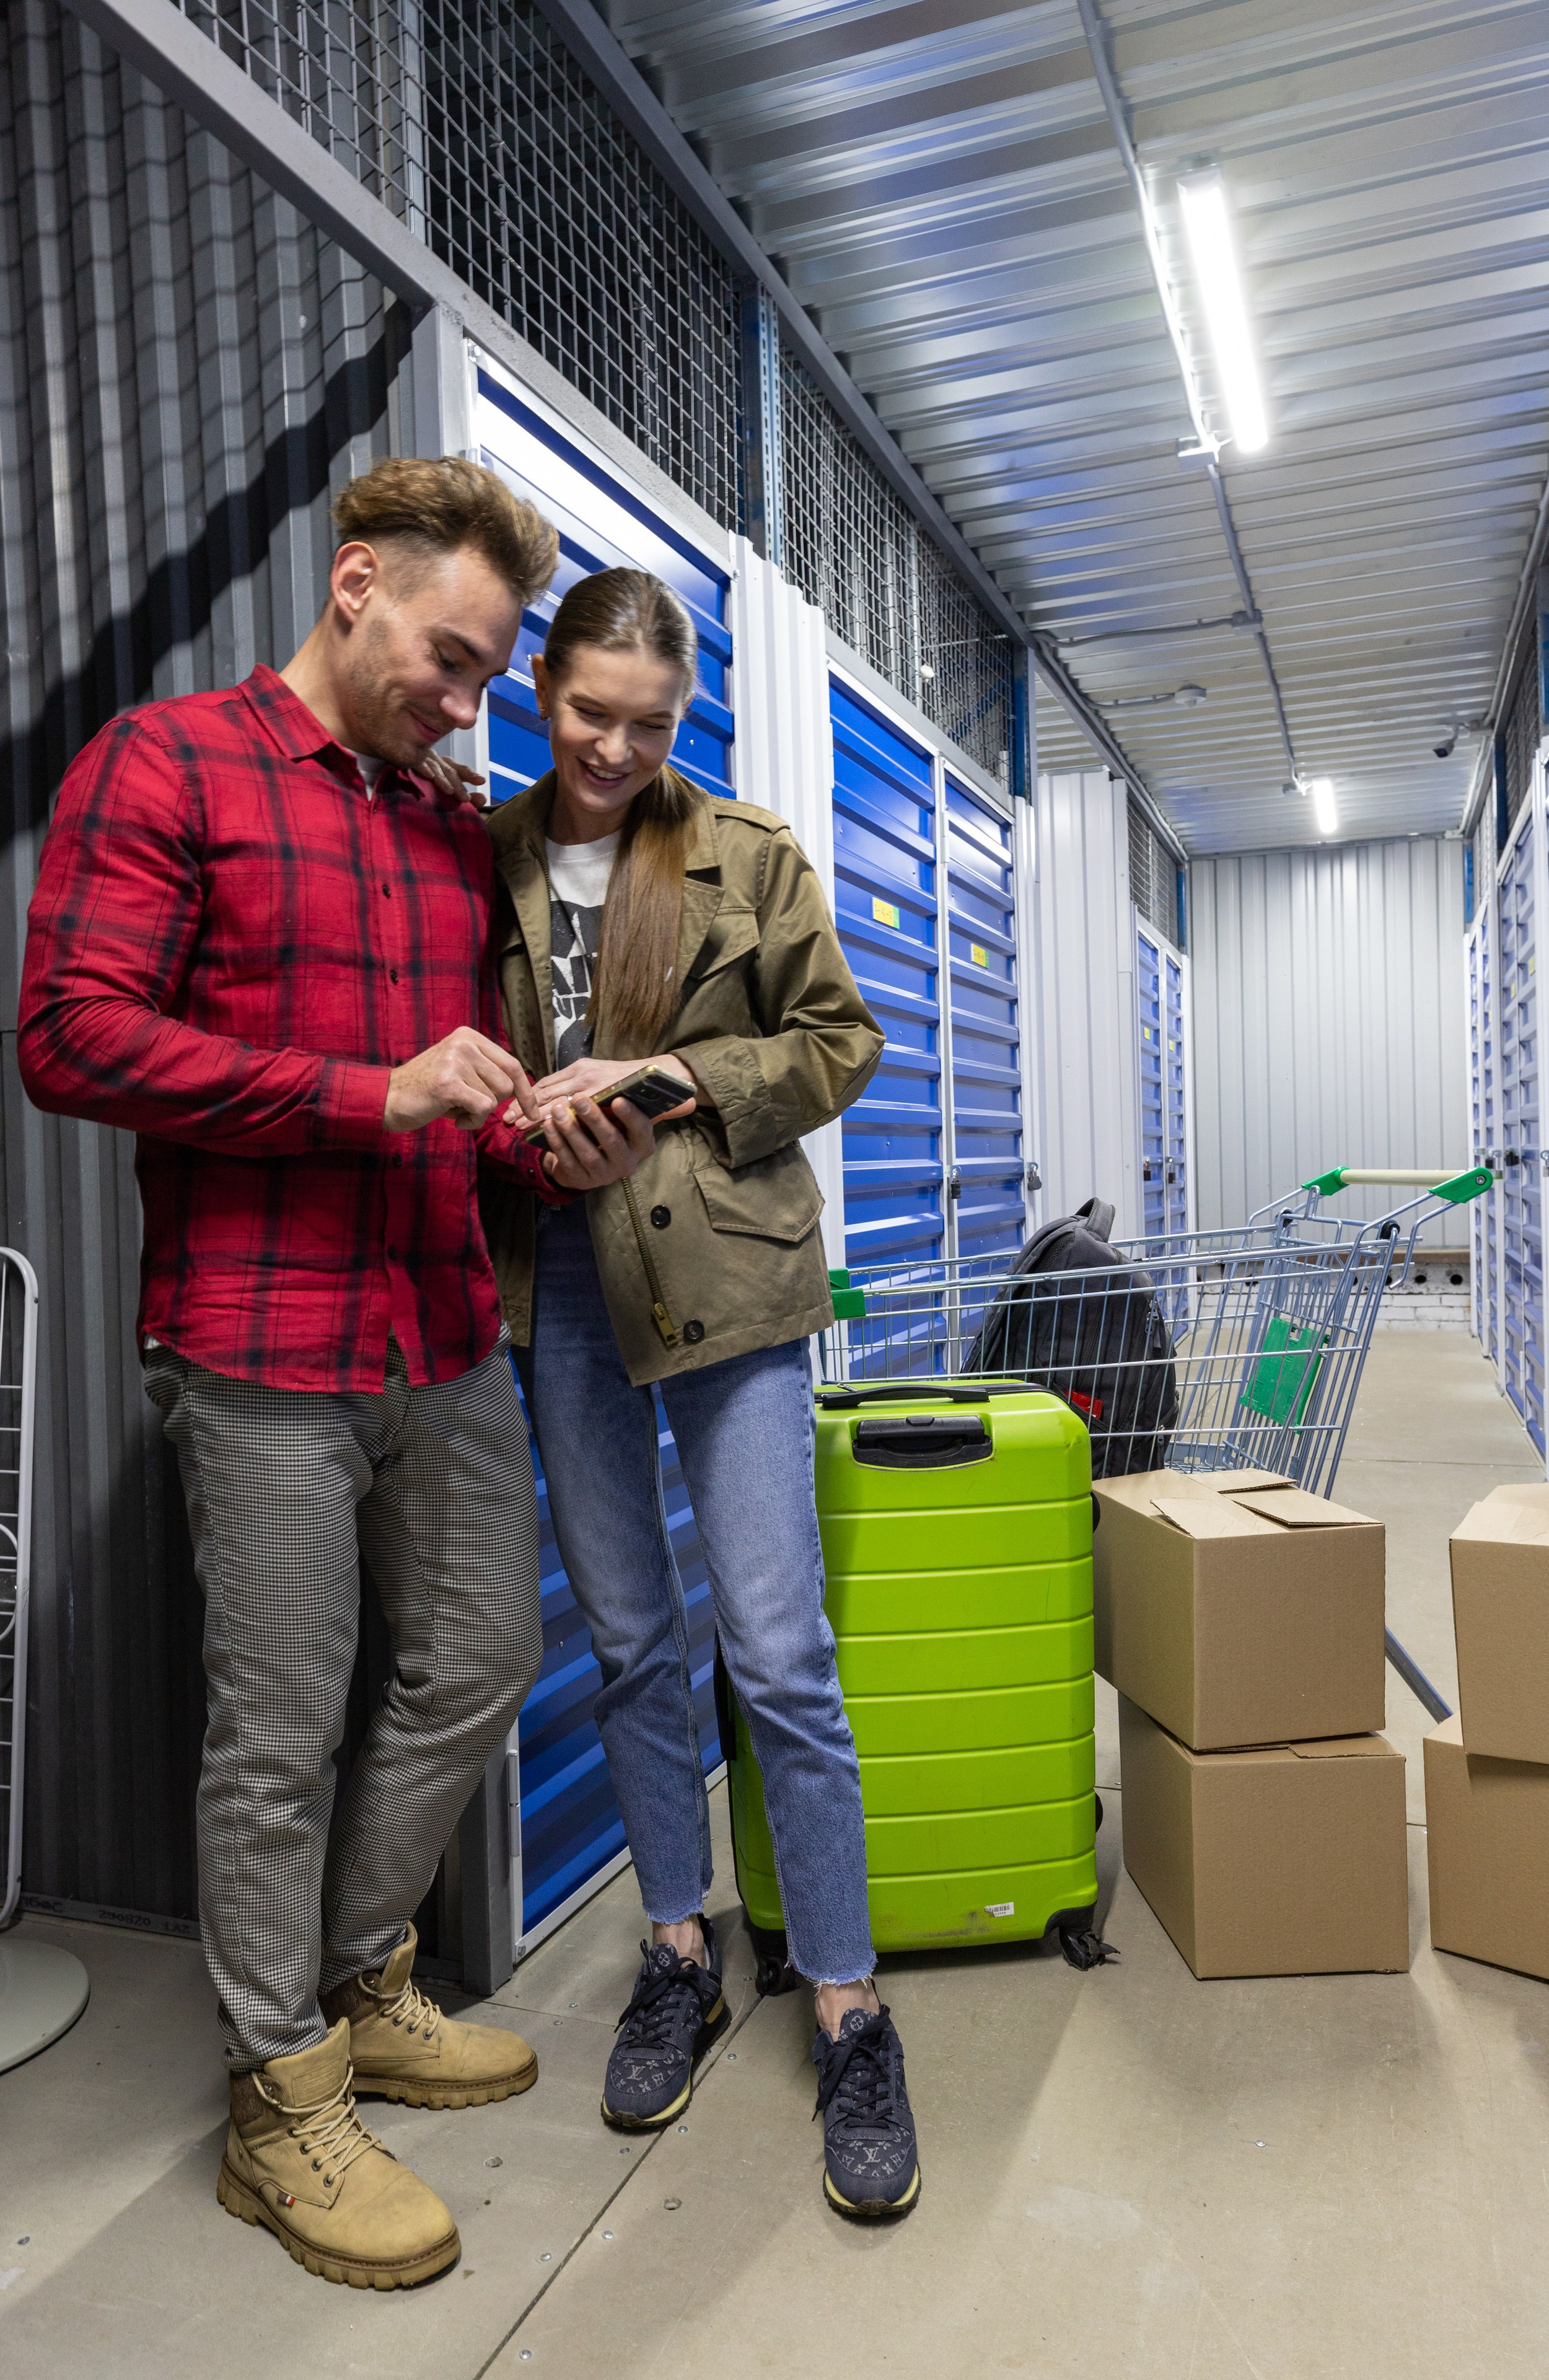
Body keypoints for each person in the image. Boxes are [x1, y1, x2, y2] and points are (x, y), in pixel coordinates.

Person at [16, 459, 656, 2291]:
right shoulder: (167, 766)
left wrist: (549, 1133)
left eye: (489, 677)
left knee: (480, 1658)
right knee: (279, 1727)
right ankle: (278, 2097)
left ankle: (358, 1975)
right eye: (452, 661)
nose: (468, 706)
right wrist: (363, 1093)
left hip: (437, 1324)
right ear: (356, 581)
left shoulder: (448, 829)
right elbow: (71, 1030)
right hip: (258, 1337)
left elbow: (458, 1092)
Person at [482, 565, 923, 2221]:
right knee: (627, 1643)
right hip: (563, 1289)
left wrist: (667, 1077)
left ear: (685, 718)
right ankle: (679, 1948)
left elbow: (838, 1041)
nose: (614, 748)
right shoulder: (483, 858)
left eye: (650, 724)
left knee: (779, 1651)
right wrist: (524, 1130)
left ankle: (848, 2001)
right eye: (590, 714)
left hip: (730, 1285)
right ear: (544, 688)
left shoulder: (749, 852)